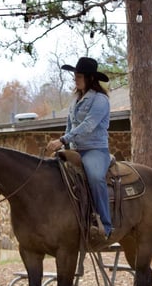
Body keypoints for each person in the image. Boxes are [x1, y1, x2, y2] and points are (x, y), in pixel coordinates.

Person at [46, 56, 113, 241]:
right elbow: (70, 124)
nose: (75, 78)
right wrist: (64, 143)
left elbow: (88, 125)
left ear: (90, 78)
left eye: (79, 75)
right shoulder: (76, 98)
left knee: (95, 177)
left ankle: (105, 226)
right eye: (75, 75)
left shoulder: (100, 100)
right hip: (75, 148)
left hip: (95, 149)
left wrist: (62, 140)